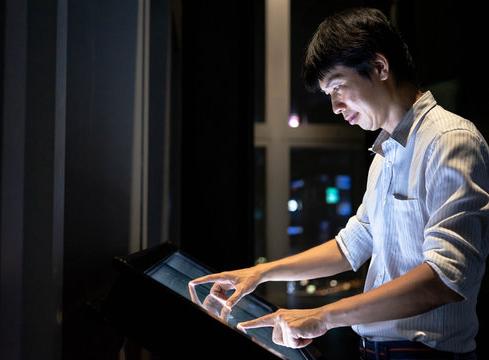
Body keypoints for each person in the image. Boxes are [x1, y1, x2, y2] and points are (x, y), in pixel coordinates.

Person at [189, 7, 488, 359]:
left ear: (379, 67)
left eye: (338, 87)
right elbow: (351, 245)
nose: (334, 106)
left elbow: (445, 278)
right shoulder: (384, 154)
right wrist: (259, 274)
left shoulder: (450, 139)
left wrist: (323, 316)